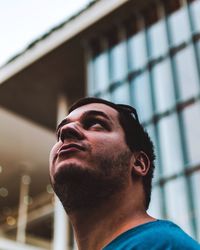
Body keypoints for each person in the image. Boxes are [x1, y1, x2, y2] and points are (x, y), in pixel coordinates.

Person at [49, 97, 200, 250]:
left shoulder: (165, 246)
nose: (65, 131)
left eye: (95, 124)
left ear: (139, 163)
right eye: (61, 130)